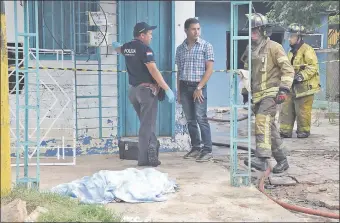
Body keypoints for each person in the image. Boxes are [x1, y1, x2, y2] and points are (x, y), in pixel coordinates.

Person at [112, 22, 175, 167]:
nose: (151, 37)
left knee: (146, 123)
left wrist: (115, 46)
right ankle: (144, 160)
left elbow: (118, 49)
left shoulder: (127, 47)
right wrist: (166, 88)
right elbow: (153, 70)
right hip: (146, 91)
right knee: (147, 126)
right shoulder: (145, 49)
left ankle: (152, 145)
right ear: (142, 35)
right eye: (149, 34)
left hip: (133, 92)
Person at [240, 13, 295, 173]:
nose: (253, 33)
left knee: (262, 121)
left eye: (256, 29)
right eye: (251, 30)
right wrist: (244, 90)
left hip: (271, 94)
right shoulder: (249, 50)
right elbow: (247, 72)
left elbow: (288, 70)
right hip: (257, 96)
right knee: (269, 129)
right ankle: (282, 160)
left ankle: (262, 159)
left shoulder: (274, 47)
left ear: (264, 30)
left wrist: (284, 89)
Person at [175, 18, 215, 162]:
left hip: (199, 87)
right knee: (190, 120)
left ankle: (207, 150)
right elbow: (179, 71)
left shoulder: (206, 46)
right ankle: (196, 147)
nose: (196, 31)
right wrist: (179, 92)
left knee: (201, 118)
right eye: (193, 29)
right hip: (185, 86)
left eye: (198, 29)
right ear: (186, 30)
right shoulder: (180, 49)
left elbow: (209, 69)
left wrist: (199, 87)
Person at [279, 23, 321, 139]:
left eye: (292, 36)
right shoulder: (291, 51)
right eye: (289, 35)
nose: (289, 38)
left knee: (303, 112)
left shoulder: (307, 50)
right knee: (286, 109)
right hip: (292, 87)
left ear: (299, 37)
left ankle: (303, 131)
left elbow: (313, 67)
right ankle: (285, 131)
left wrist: (301, 76)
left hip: (305, 88)